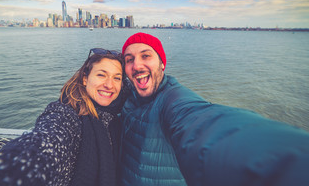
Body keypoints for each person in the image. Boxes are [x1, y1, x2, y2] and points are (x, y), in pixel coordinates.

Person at [120, 32, 309, 186]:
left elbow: (201, 123)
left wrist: (281, 165)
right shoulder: (127, 98)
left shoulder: (173, 98)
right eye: (129, 59)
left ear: (162, 64)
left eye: (146, 56)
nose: (136, 65)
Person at [0, 48, 125, 186]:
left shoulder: (115, 115)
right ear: (85, 79)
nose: (109, 84)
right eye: (101, 75)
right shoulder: (67, 114)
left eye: (117, 78)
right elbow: (46, 145)